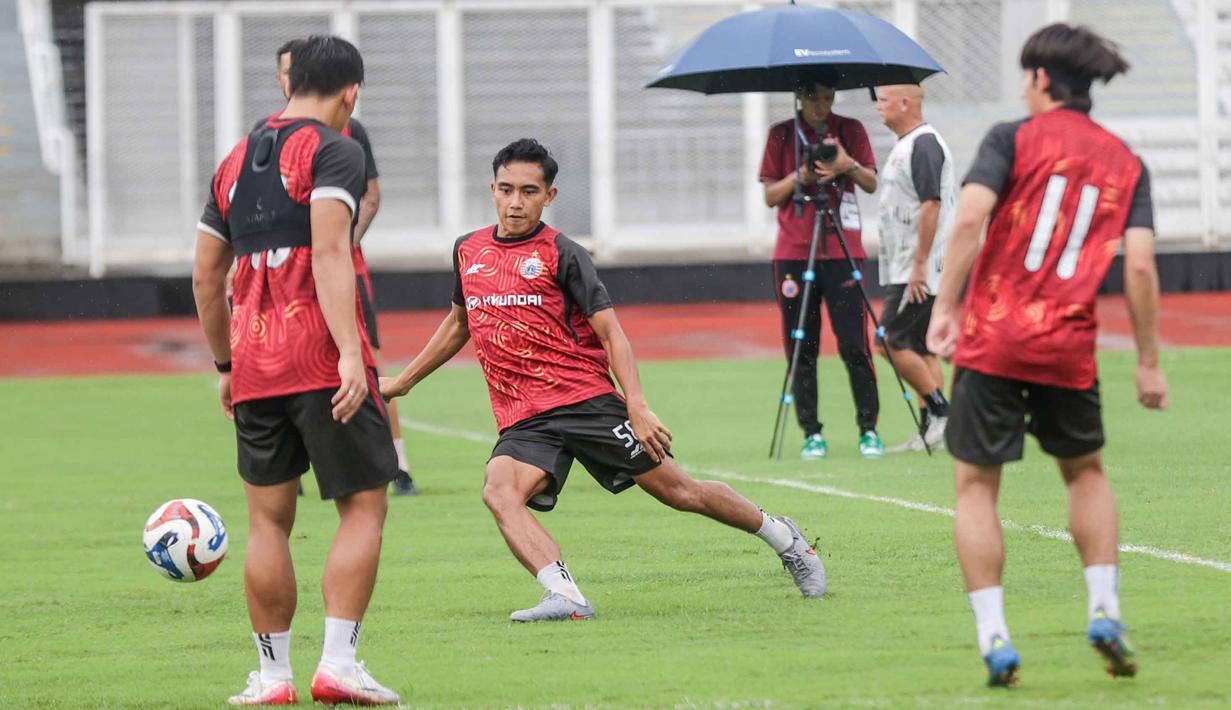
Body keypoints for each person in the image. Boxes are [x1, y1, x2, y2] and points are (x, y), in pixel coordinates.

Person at [381, 138, 827, 621]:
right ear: (491, 189)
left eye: (528, 191)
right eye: (506, 189)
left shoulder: (563, 254)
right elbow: (458, 323)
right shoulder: (468, 251)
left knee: (680, 492)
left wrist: (636, 405)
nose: (515, 202)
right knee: (499, 491)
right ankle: (566, 596)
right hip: (524, 417)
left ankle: (785, 538)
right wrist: (403, 382)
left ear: (548, 196)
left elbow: (612, 334)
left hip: (587, 402)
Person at [926, 23, 1168, 687]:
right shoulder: (1126, 162)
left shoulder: (1010, 137)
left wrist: (943, 309)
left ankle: (995, 636)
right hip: (1067, 346)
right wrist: (1147, 361)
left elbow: (970, 219)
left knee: (976, 486)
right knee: (1084, 473)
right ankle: (1104, 609)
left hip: (993, 337)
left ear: (1038, 80)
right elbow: (1140, 267)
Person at [192, 35, 401, 706]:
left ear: (290, 83)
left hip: (254, 362)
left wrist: (225, 363)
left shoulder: (231, 161)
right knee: (364, 505)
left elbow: (204, 275)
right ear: (350, 94)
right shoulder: (336, 148)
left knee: (267, 523)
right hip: (318, 357)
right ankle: (337, 662)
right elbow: (331, 251)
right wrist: (348, 353)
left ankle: (271, 676)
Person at [259, 39, 417, 497]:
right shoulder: (263, 139)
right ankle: (290, 466)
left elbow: (371, 195)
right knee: (278, 354)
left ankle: (399, 465)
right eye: (285, 72)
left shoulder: (349, 136)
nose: (292, 79)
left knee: (367, 360)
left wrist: (341, 244)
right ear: (281, 80)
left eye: (297, 71)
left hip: (342, 266)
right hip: (279, 276)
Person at [759, 73, 884, 459]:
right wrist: (800, 176)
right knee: (802, 345)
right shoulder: (781, 134)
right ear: (799, 96)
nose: (821, 105)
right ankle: (811, 431)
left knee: (854, 344)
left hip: (843, 248)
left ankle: (868, 429)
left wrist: (845, 165)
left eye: (828, 97)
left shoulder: (851, 129)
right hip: (794, 251)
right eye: (814, 97)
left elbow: (871, 183)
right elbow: (769, 195)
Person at [873, 84, 954, 452]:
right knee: (921, 348)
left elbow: (931, 204)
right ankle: (931, 433)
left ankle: (942, 411)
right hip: (907, 266)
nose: (879, 108)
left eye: (884, 101)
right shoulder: (907, 144)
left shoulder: (924, 144)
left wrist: (919, 265)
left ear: (905, 103)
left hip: (916, 269)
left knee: (888, 342)